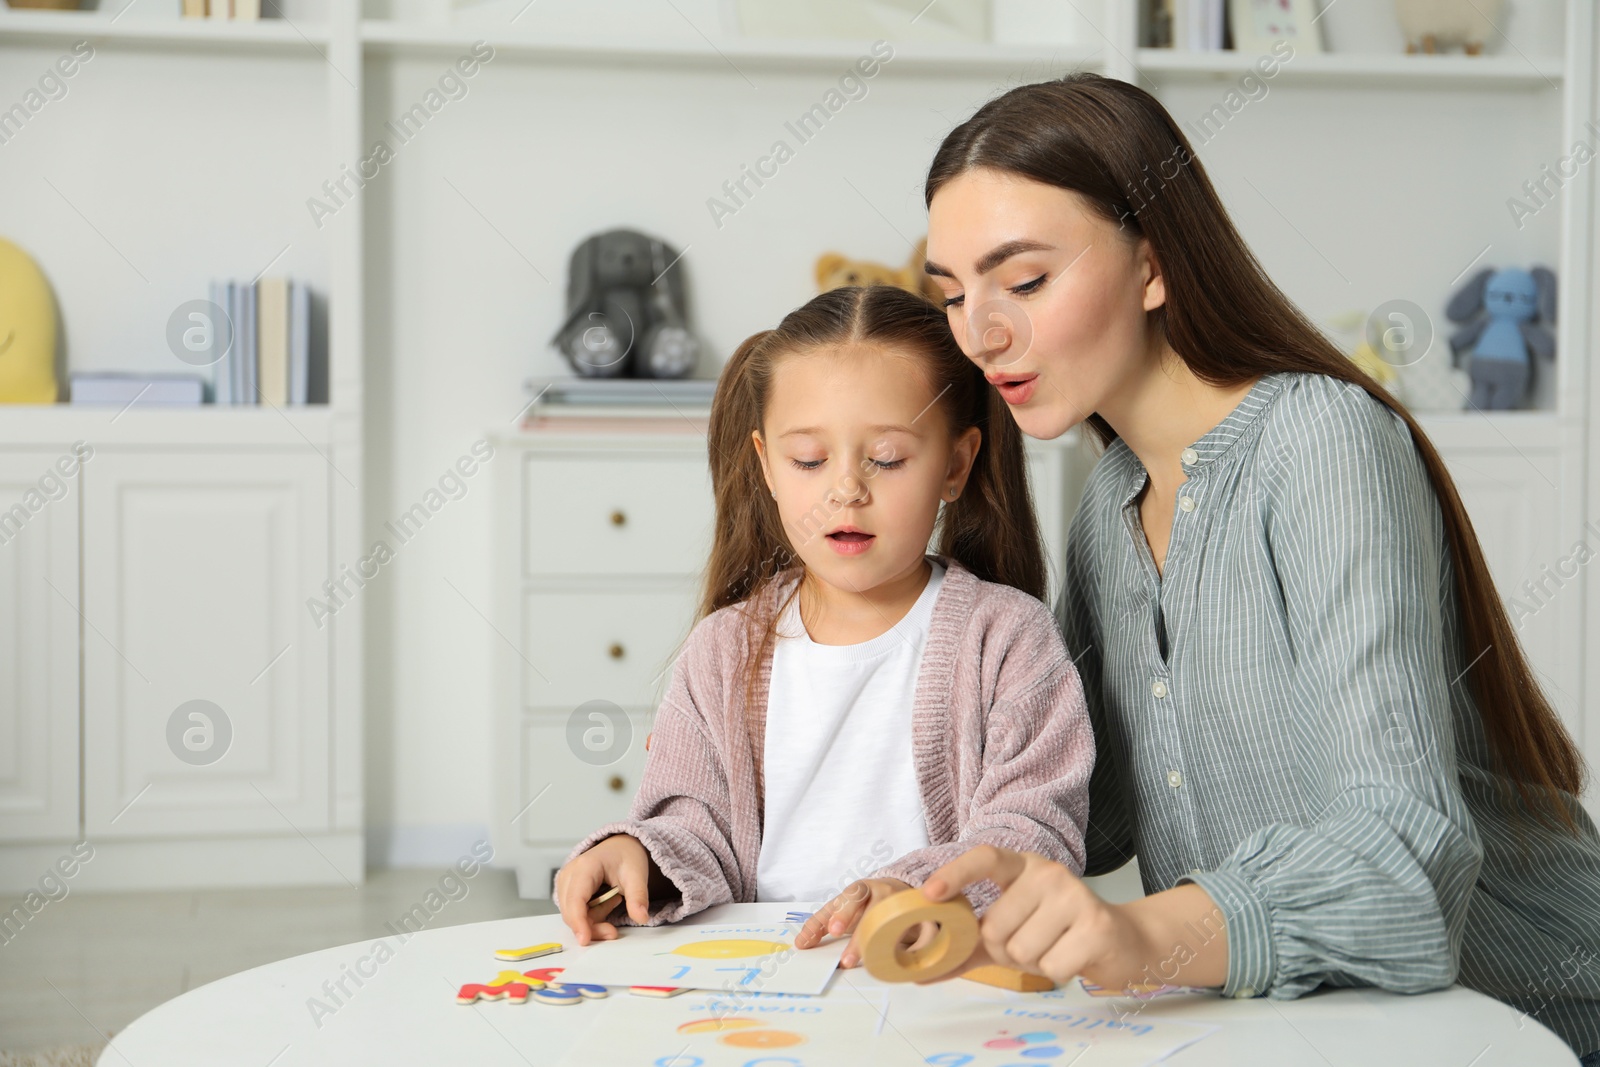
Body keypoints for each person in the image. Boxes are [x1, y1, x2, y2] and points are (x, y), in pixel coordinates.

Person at [912, 73, 1600, 1062]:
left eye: (1022, 281)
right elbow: (1082, 809)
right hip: (1308, 1031)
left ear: (1151, 265)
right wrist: (927, 877)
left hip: (1526, 1025)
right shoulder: (1107, 511)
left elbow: (1407, 853)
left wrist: (1142, 935)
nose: (980, 333)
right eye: (952, 294)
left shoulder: (1321, 442)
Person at [553, 283, 1095, 971]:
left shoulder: (1010, 640)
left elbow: (1034, 832)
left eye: (888, 458)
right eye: (809, 459)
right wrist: (638, 852)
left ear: (955, 464)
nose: (846, 489)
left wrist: (913, 892)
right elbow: (693, 825)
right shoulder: (723, 649)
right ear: (767, 465)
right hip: (762, 978)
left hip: (934, 981)